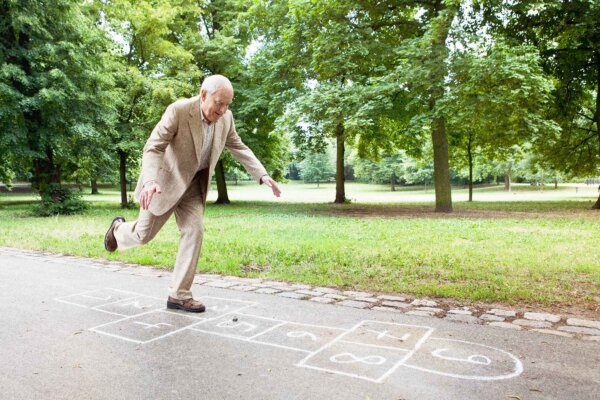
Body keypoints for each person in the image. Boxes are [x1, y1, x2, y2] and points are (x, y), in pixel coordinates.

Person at [103, 75, 281, 313]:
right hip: (163, 183)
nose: (223, 109)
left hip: (194, 188)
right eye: (219, 102)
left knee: (194, 231)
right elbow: (153, 147)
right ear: (203, 94)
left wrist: (262, 175)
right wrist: (150, 181)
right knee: (143, 235)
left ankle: (179, 295)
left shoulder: (226, 118)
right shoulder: (178, 111)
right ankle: (117, 230)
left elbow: (238, 145)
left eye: (228, 104)